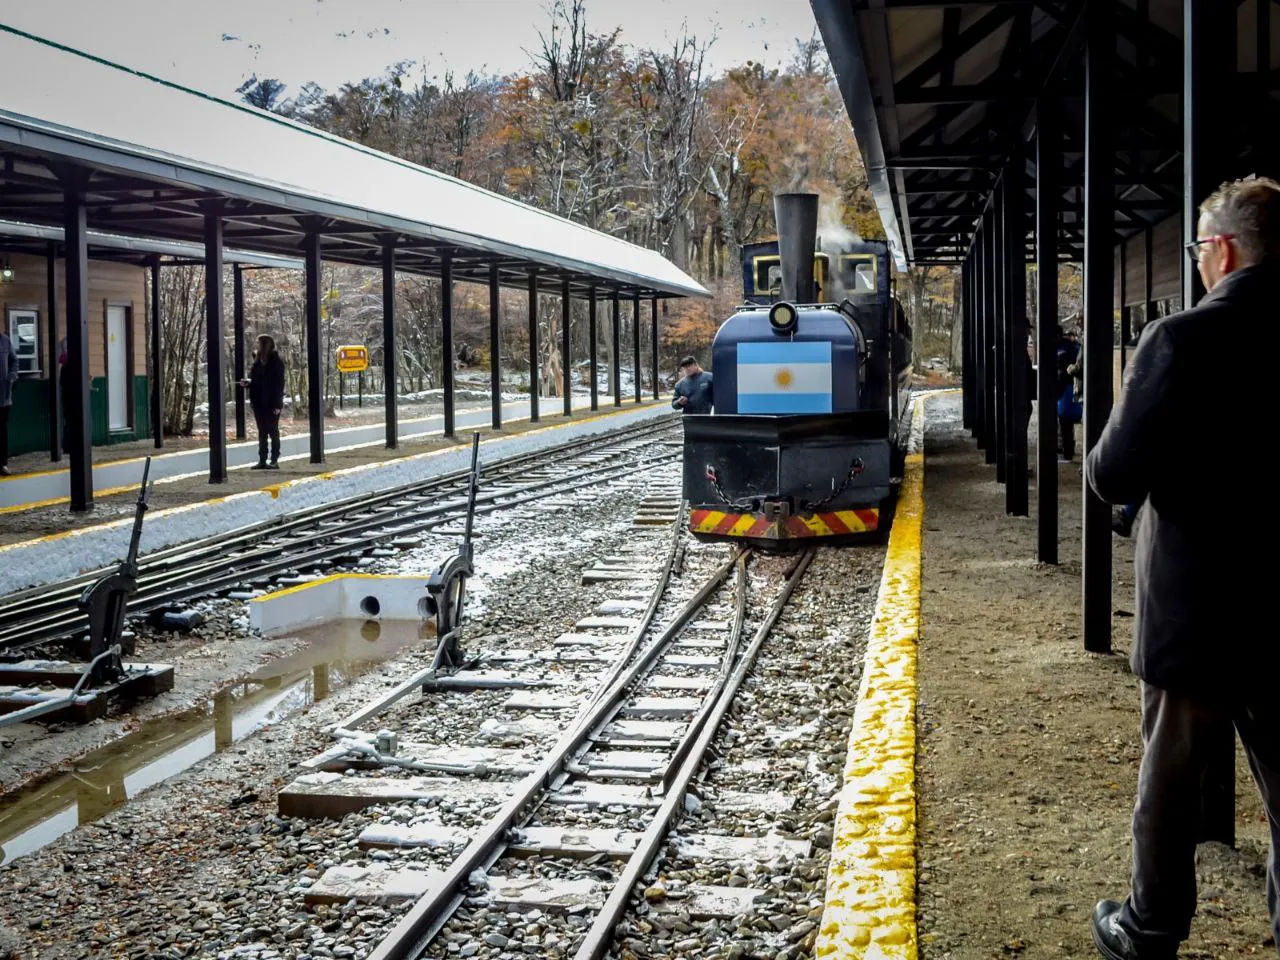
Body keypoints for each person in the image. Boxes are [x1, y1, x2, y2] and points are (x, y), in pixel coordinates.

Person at [1086, 176, 1280, 960]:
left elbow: (1112, 476)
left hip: (1196, 613)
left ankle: (1151, 927)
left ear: (1222, 250)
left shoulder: (1178, 340)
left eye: (1201, 248)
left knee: (1169, 780)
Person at [241, 334, 285, 469]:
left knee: (273, 430)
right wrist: (248, 383)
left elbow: (279, 383)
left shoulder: (275, 361)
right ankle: (262, 459)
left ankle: (274, 460)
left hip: (271, 402)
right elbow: (257, 381)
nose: (257, 346)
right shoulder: (257, 361)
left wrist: (277, 403)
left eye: (259, 343)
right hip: (258, 401)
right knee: (262, 431)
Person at [1056, 326, 1082, 461]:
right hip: (1067, 385)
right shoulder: (1071, 346)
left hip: (1064, 386)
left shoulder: (1063, 349)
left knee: (1064, 418)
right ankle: (1067, 448)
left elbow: (1067, 368)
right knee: (1065, 419)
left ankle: (1066, 451)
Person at [0, 328, 16, 475]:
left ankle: (3, 464)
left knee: (2, 431)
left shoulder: (5, 340)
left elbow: (14, 361)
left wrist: (12, 375)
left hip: (3, 397)